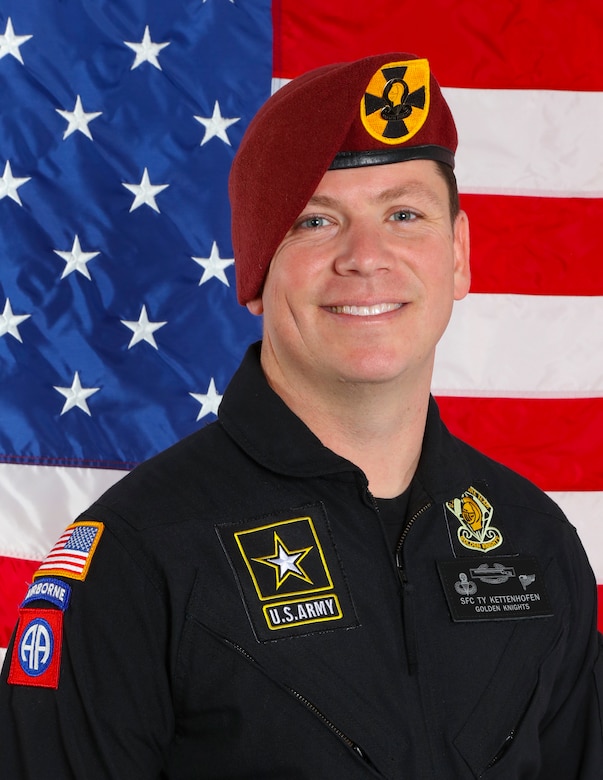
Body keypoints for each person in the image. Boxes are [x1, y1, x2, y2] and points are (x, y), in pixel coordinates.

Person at [1, 52, 602, 779]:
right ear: (255, 271)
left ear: (458, 256)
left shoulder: (532, 538)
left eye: (403, 214)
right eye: (316, 221)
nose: (365, 257)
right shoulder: (138, 554)